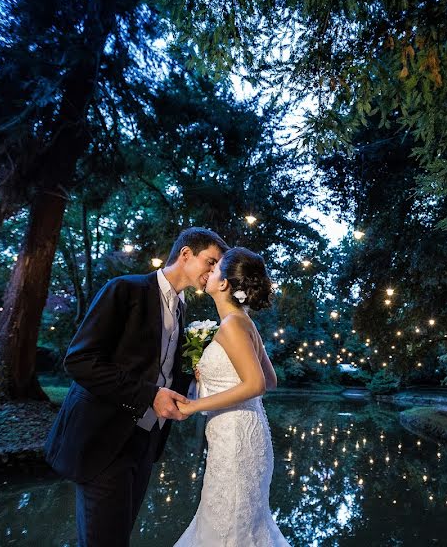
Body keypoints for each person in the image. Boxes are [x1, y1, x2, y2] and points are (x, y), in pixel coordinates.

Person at [44, 227, 229, 547]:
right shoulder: (124, 290)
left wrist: (197, 383)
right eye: (210, 262)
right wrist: (149, 396)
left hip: (145, 444)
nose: (214, 272)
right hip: (103, 439)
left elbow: (161, 370)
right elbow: (80, 361)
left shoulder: (183, 308)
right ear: (186, 255)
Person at [174, 247, 290, 547]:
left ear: (224, 283)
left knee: (228, 526)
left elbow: (257, 385)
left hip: (236, 442)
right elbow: (271, 379)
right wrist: (209, 377)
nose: (208, 273)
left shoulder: (231, 325)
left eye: (214, 269)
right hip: (247, 436)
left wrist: (194, 404)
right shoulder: (244, 322)